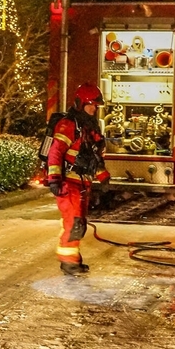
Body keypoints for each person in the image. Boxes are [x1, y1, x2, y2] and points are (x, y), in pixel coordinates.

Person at [45, 83, 110, 275]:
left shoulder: (89, 127)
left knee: (78, 223)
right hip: (68, 183)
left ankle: (73, 259)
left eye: (96, 106)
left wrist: (103, 177)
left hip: (82, 183)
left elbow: (93, 157)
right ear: (81, 103)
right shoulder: (68, 125)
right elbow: (55, 152)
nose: (94, 109)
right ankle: (69, 262)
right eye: (91, 105)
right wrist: (54, 178)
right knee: (74, 224)